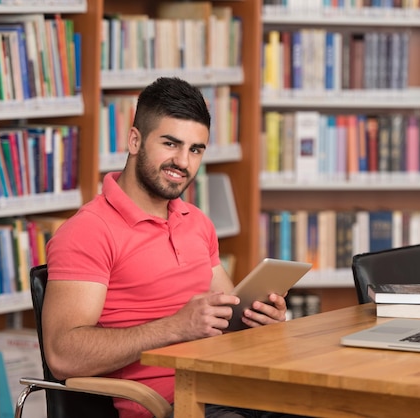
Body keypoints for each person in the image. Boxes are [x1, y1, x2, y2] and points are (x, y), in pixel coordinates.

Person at [43, 77, 302, 418]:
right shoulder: (88, 231)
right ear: (135, 140)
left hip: (228, 388)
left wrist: (260, 320)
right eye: (170, 144)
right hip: (168, 407)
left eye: (196, 149)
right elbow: (63, 356)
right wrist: (176, 327)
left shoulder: (196, 222)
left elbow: (228, 320)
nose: (183, 161)